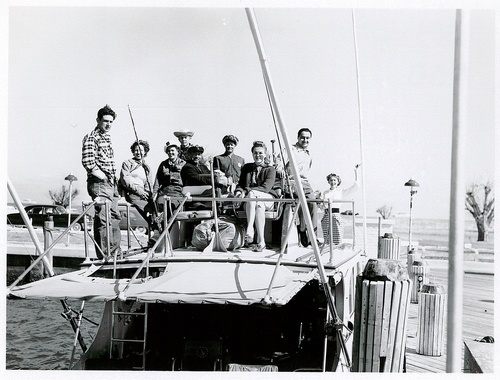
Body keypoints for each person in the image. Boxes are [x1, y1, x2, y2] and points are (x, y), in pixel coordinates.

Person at [81, 104, 121, 260]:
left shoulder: (107, 137)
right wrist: (103, 176)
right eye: (105, 121)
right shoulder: (92, 137)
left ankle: (116, 252)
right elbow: (88, 162)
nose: (108, 124)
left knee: (115, 217)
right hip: (99, 183)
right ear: (98, 120)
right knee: (103, 220)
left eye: (111, 122)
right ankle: (105, 255)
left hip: (111, 183)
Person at [276, 127, 322, 246]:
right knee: (301, 201)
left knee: (313, 204)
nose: (305, 140)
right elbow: (279, 162)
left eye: (307, 138)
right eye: (302, 137)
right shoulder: (290, 149)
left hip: (304, 182)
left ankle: (313, 237)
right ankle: (302, 230)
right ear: (298, 138)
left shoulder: (309, 154)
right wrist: (280, 168)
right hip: (291, 181)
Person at [234, 141, 278, 252]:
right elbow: (240, 184)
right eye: (255, 153)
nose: (257, 155)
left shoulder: (270, 169)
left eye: (260, 153)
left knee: (253, 194)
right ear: (252, 154)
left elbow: (266, 188)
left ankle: (250, 229)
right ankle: (261, 242)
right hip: (252, 203)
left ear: (265, 153)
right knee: (259, 206)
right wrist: (239, 191)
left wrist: (246, 191)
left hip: (268, 199)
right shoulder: (247, 168)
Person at [119, 140, 155, 229]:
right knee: (148, 211)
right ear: (133, 151)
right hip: (132, 193)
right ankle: (156, 229)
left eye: (141, 150)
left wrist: (149, 194)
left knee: (156, 209)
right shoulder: (127, 163)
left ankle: (158, 233)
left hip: (143, 194)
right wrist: (139, 191)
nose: (138, 152)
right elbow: (125, 180)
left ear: (145, 152)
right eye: (136, 150)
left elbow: (149, 183)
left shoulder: (146, 167)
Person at [321, 165, 360, 245]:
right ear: (328, 181)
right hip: (326, 217)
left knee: (337, 240)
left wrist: (355, 171)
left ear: (338, 181)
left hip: (335, 216)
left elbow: (356, 187)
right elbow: (322, 207)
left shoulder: (341, 192)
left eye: (335, 180)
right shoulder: (325, 193)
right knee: (327, 241)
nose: (333, 182)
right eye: (331, 180)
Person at [153, 142, 186, 216]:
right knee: (157, 209)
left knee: (172, 210)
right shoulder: (163, 164)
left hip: (177, 193)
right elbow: (157, 180)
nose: (170, 152)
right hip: (164, 192)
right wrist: (154, 195)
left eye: (172, 150)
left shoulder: (183, 164)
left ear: (177, 151)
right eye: (168, 151)